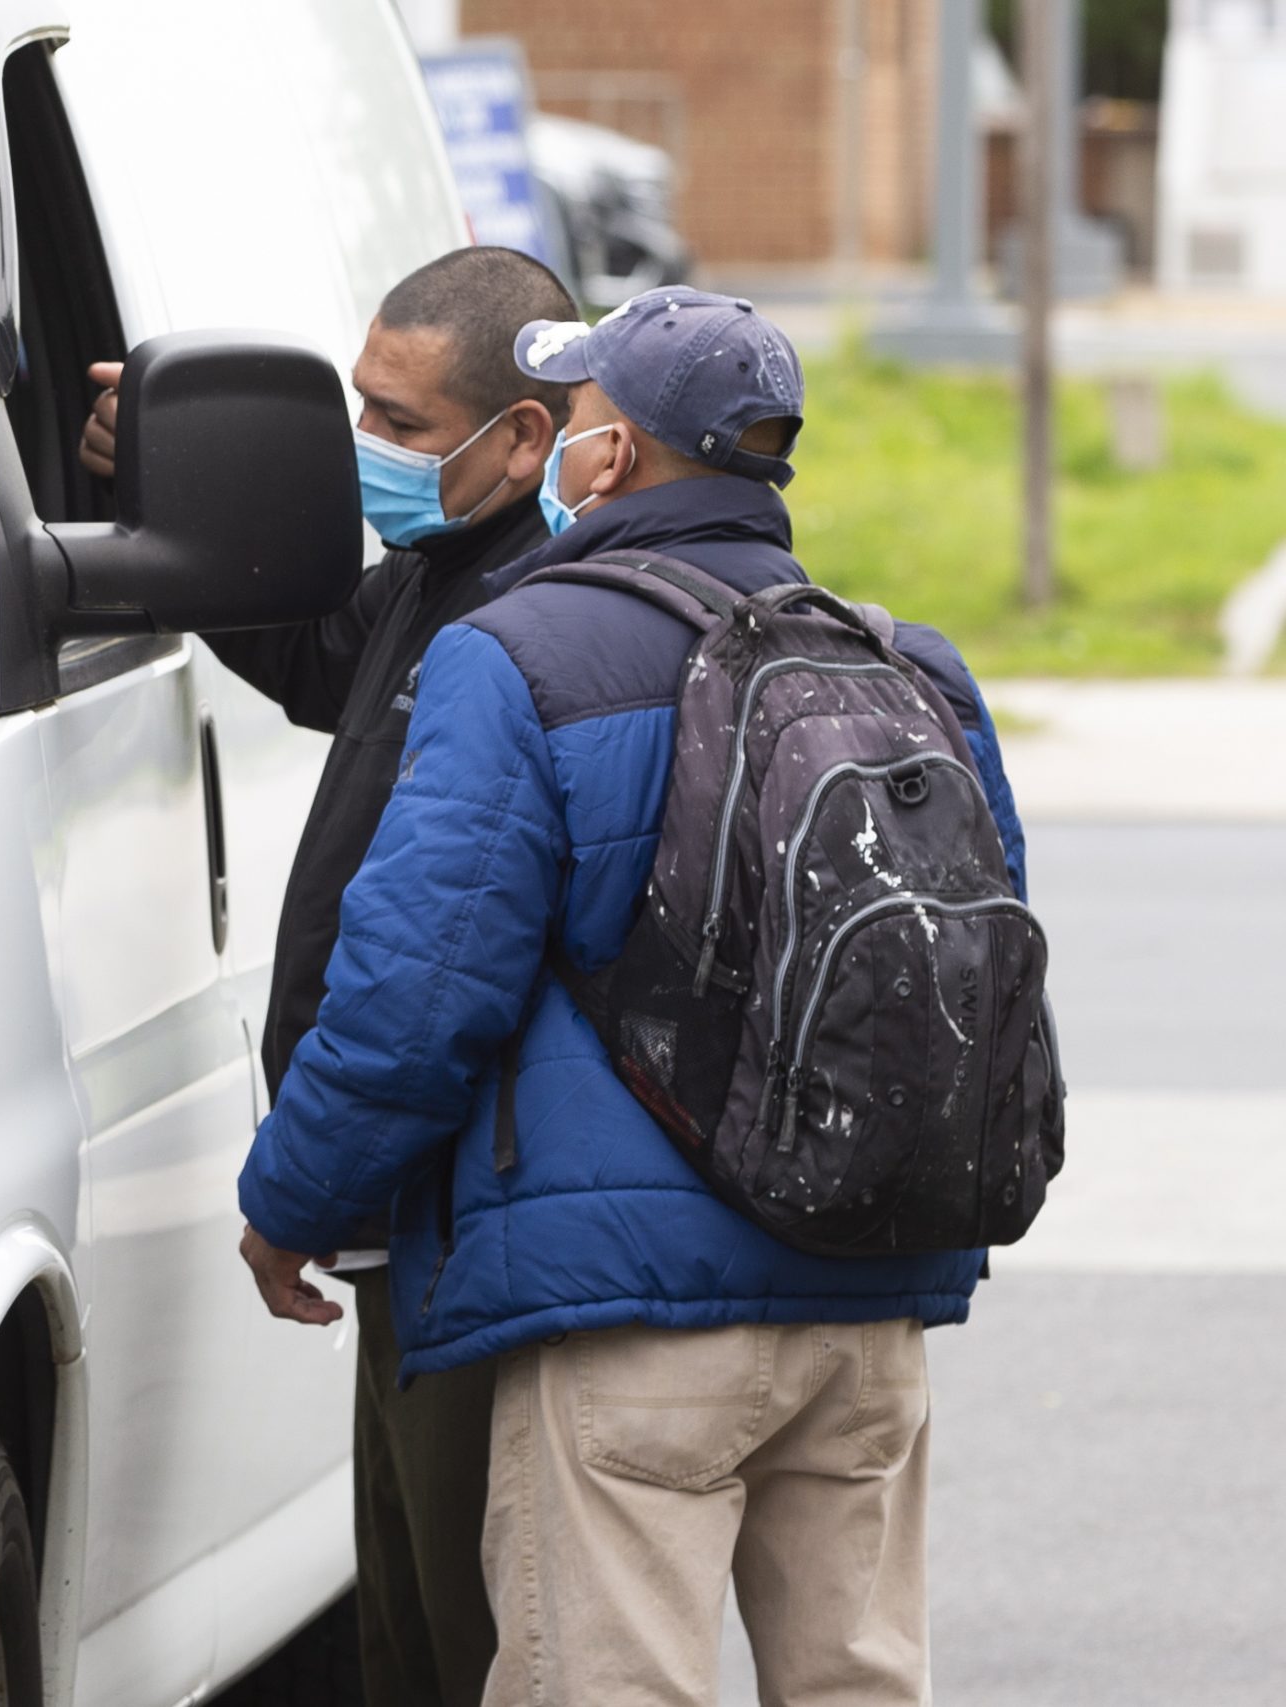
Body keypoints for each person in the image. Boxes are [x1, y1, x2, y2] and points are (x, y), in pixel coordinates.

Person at [236, 288, 1027, 1706]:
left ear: (608, 460)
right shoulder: (909, 666)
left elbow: (417, 991)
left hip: (629, 1324)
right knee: (858, 1685)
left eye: (580, 417)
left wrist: (297, 1197)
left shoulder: (520, 655)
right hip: (866, 1302)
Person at [84, 245, 578, 1707]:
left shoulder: (535, 620)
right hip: (407, 1214)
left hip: (479, 1217)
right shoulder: (433, 579)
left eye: (405, 426)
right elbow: (308, 651)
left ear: (525, 436)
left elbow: (431, 978)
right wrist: (164, 495)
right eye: (359, 409)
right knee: (408, 1619)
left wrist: (302, 1188)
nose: (371, 451)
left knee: (473, 1628)